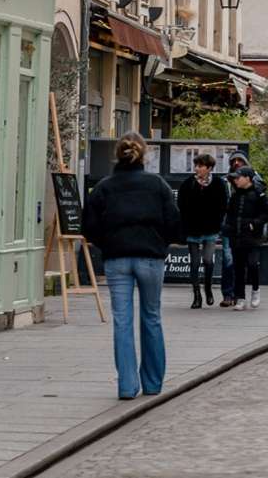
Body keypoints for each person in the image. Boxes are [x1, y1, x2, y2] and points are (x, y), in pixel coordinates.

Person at [82, 132, 181, 399]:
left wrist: (108, 244)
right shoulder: (157, 185)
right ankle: (152, 384)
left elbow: (89, 226)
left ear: (117, 154)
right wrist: (160, 243)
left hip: (117, 259)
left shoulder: (104, 187)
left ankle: (127, 385)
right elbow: (173, 223)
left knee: (122, 321)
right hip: (150, 257)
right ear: (145, 155)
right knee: (151, 317)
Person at [176, 154, 229, 309]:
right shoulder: (188, 184)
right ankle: (196, 295)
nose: (197, 168)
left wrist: (217, 221)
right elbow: (181, 204)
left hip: (210, 228)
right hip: (192, 229)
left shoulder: (219, 183)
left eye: (200, 166)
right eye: (196, 165)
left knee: (207, 260)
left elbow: (223, 204)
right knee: (194, 262)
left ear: (209, 168)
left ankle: (208, 288)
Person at [223, 164, 268, 311]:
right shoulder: (235, 196)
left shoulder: (258, 194)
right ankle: (240, 298)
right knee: (238, 268)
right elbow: (229, 214)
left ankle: (255, 290)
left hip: (252, 237)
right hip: (236, 237)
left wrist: (254, 224)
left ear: (248, 178)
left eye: (239, 178)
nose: (236, 180)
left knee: (252, 264)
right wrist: (228, 228)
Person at [218, 153, 262, 307]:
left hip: (250, 233)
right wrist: (225, 227)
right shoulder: (226, 181)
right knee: (230, 261)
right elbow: (225, 207)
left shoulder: (257, 184)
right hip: (232, 229)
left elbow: (264, 211)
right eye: (233, 161)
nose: (236, 163)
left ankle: (251, 291)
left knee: (251, 264)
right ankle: (232, 295)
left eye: (240, 160)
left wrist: (256, 225)